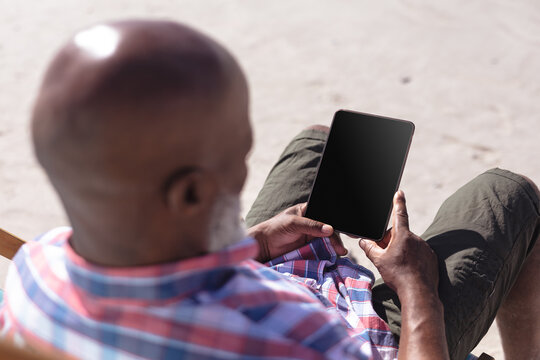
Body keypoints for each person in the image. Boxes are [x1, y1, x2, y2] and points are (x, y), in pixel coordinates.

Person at [0, 19, 538, 360]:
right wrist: (416, 289)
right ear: (189, 194)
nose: (243, 169)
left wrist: (252, 244)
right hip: (381, 335)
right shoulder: (294, 339)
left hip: (228, 283)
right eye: (238, 154)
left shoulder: (35, 268)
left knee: (318, 145)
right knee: (508, 192)